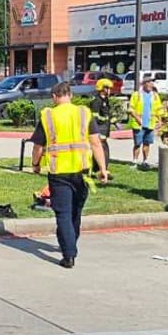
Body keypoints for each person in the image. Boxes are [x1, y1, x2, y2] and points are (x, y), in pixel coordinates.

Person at [30, 81, 109, 268]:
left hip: (59, 173)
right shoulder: (83, 113)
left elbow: (38, 146)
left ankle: (69, 254)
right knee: (76, 211)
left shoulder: (48, 115)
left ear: (54, 97)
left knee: (63, 213)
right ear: (71, 96)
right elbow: (96, 143)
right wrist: (103, 169)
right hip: (82, 172)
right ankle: (70, 241)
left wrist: (35, 164)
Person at [128, 77, 164, 169]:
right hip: (139, 124)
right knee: (137, 143)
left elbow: (159, 109)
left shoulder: (155, 95)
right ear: (144, 84)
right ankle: (135, 162)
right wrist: (137, 119)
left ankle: (145, 161)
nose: (151, 85)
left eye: (152, 83)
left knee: (147, 143)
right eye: (149, 83)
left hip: (150, 124)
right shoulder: (137, 95)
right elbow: (131, 109)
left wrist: (159, 121)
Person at [88, 77, 115, 179]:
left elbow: (107, 115)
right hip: (100, 129)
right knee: (103, 150)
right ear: (102, 88)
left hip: (105, 129)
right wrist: (99, 132)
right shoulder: (97, 101)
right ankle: (102, 170)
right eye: (107, 88)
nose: (109, 90)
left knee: (104, 150)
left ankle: (100, 169)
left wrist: (113, 121)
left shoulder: (105, 100)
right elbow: (95, 118)